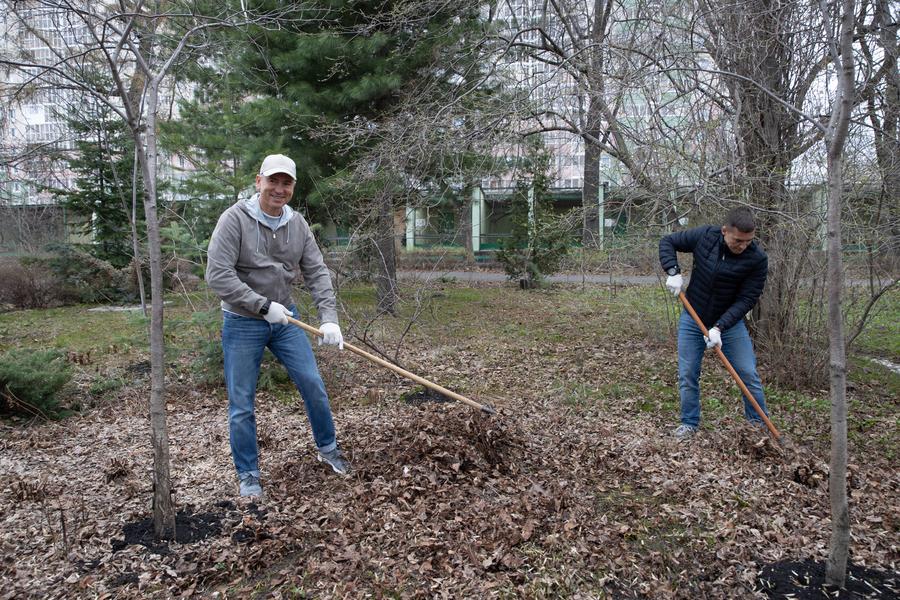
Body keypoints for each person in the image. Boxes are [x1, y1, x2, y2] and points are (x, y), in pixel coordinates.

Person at [206, 153, 349, 497]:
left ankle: (328, 449)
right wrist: (261, 304)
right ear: (259, 181)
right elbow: (218, 276)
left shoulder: (296, 224)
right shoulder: (234, 220)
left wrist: (329, 320)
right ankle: (249, 475)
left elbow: (316, 272)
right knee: (242, 402)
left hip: (285, 320)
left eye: (286, 183)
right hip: (242, 322)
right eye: (273, 181)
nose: (279, 189)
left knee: (312, 382)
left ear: (293, 188)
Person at [658, 206, 770, 439]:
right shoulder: (705, 237)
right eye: (738, 240)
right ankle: (689, 423)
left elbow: (747, 298)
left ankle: (757, 427)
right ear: (724, 231)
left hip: (729, 325)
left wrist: (719, 327)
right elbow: (667, 242)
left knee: (748, 374)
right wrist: (672, 270)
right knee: (688, 373)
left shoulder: (757, 259)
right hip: (693, 317)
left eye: (748, 241)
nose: (743, 246)